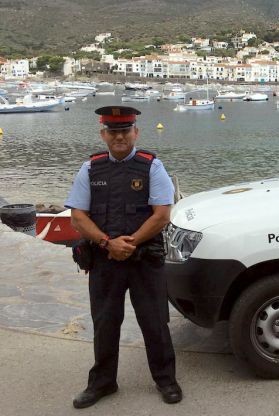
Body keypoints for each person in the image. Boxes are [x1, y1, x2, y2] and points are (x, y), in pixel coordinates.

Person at [65, 106, 182, 408]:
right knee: (105, 323)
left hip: (144, 260)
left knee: (155, 322)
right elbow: (78, 216)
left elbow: (162, 215)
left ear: (135, 133)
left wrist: (128, 244)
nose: (119, 136)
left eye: (125, 130)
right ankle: (103, 382)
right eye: (113, 131)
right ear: (103, 134)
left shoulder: (152, 166)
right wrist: (107, 244)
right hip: (105, 261)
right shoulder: (90, 168)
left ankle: (166, 380)